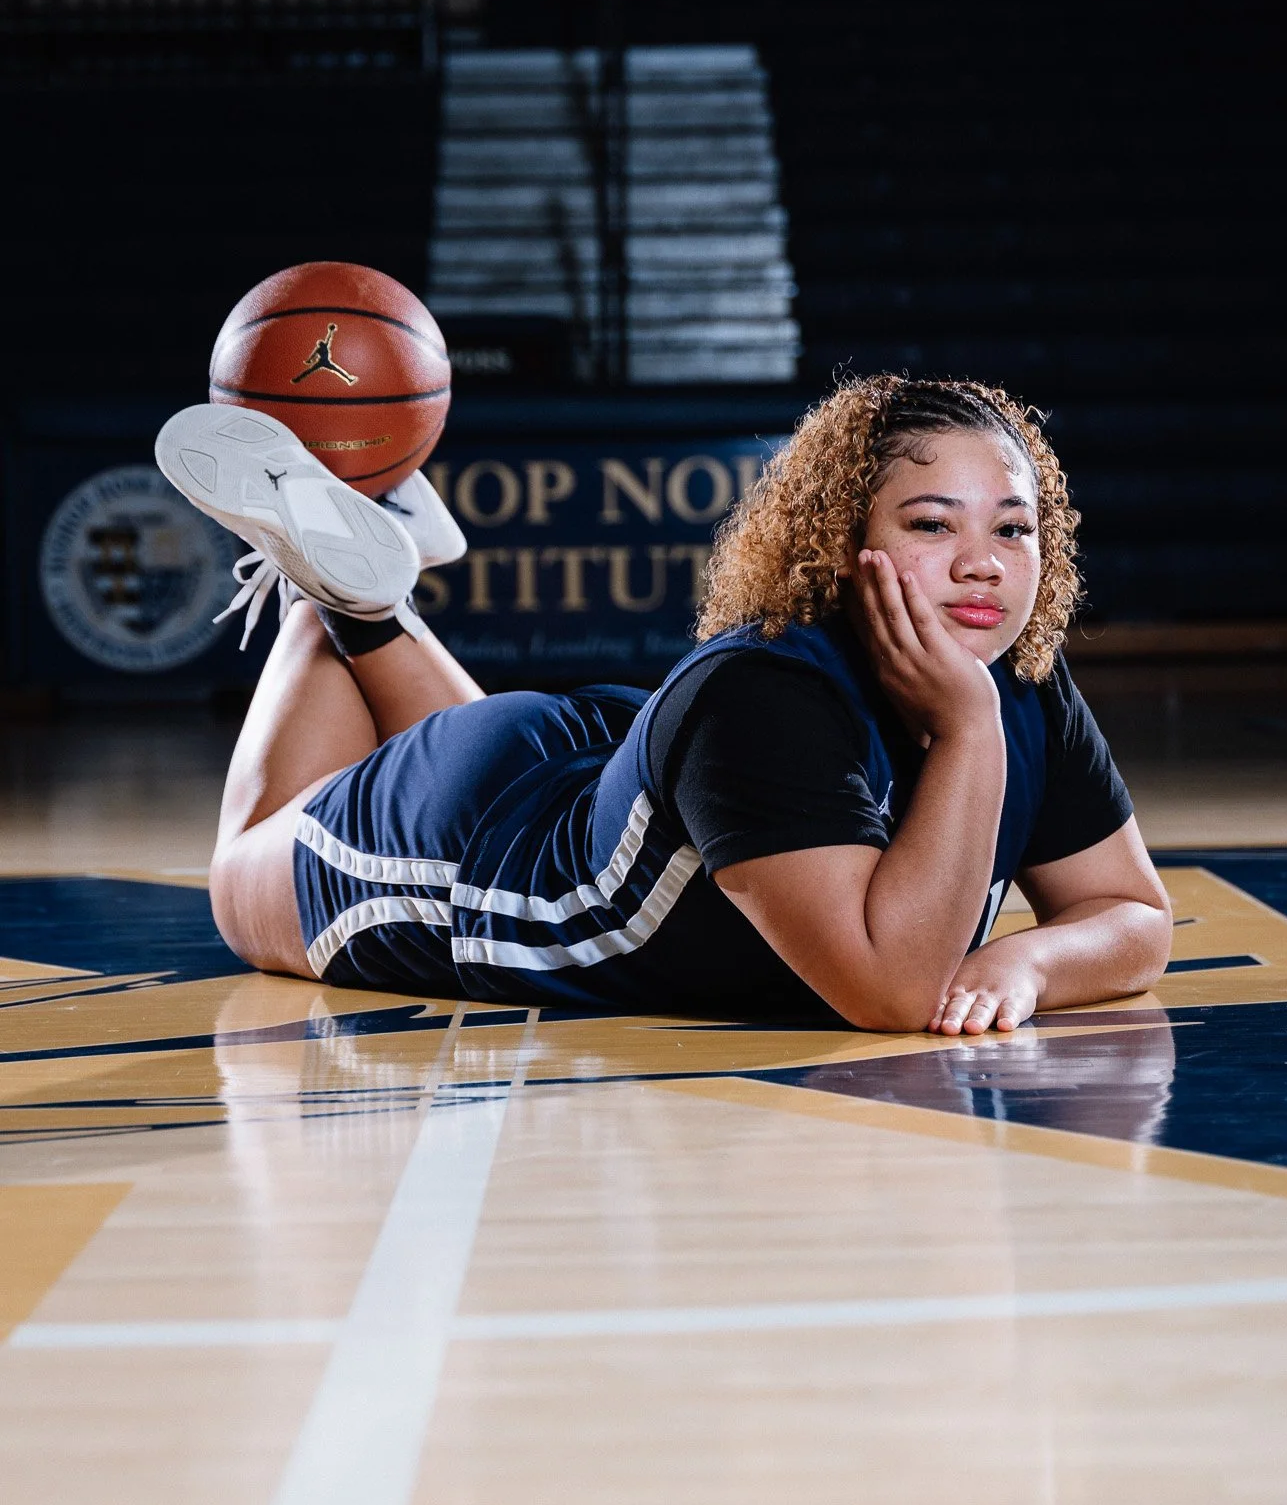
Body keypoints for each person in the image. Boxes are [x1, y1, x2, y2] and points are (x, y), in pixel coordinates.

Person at [155, 377, 1171, 1034]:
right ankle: (324, 591)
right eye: (930, 523)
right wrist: (966, 726)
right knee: (237, 882)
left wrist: (1029, 961)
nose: (984, 564)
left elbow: (1133, 915)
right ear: (837, 538)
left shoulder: (1024, 679)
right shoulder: (770, 697)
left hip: (597, 769)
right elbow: (893, 991)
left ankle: (372, 567)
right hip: (457, 848)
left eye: (1015, 526)